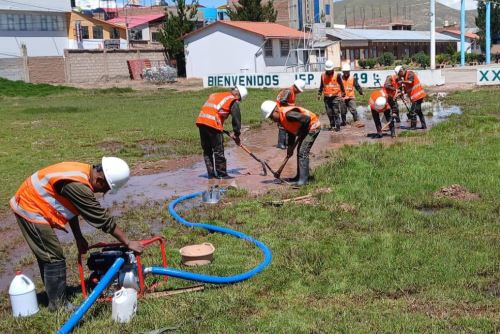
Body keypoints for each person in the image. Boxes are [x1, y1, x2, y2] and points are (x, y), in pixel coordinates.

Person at [9, 157, 144, 311]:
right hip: (30, 207)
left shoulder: (84, 173)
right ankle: (58, 305)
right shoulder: (78, 186)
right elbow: (101, 219)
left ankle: (53, 296)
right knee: (53, 256)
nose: (103, 192)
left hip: (33, 201)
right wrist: (127, 242)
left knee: (48, 255)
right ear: (100, 180)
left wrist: (78, 237)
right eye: (105, 189)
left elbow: (72, 207)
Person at [261, 100, 321, 186]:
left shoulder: (288, 114)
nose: (272, 120)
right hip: (306, 128)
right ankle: (299, 177)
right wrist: (290, 147)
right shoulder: (282, 119)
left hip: (313, 126)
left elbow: (306, 119)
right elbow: (291, 132)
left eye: (271, 117)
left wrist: (300, 132)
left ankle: (303, 181)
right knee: (299, 151)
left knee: (302, 152)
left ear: (276, 111)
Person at [196, 85, 248, 178]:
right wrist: (237, 134)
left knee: (207, 150)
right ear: (238, 95)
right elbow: (236, 118)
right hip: (212, 123)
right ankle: (222, 175)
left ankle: (211, 175)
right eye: (239, 99)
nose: (238, 101)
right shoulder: (232, 100)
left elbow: (213, 110)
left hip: (201, 121)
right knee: (218, 150)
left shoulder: (218, 94)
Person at [276, 79, 306, 149]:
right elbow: (282, 101)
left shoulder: (292, 92)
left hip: (285, 110)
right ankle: (281, 144)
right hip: (281, 110)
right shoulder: (288, 91)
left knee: (287, 126)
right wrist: (291, 106)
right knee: (282, 127)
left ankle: (286, 143)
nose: (298, 92)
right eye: (298, 90)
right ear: (295, 87)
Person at [317, 60, 346, 131]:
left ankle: (338, 126)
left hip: (335, 96)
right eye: (328, 70)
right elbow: (321, 85)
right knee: (329, 112)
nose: (329, 71)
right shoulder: (323, 75)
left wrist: (343, 93)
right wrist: (319, 93)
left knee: (336, 111)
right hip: (327, 97)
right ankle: (332, 125)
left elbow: (341, 85)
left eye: (330, 70)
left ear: (333, 69)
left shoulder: (337, 75)